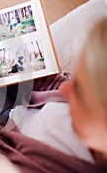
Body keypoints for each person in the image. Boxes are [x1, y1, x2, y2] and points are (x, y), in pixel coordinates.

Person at [9, 18, 107, 167]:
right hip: (23, 103)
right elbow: (58, 86)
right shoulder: (87, 116)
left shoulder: (46, 164)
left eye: (79, 91)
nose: (64, 89)